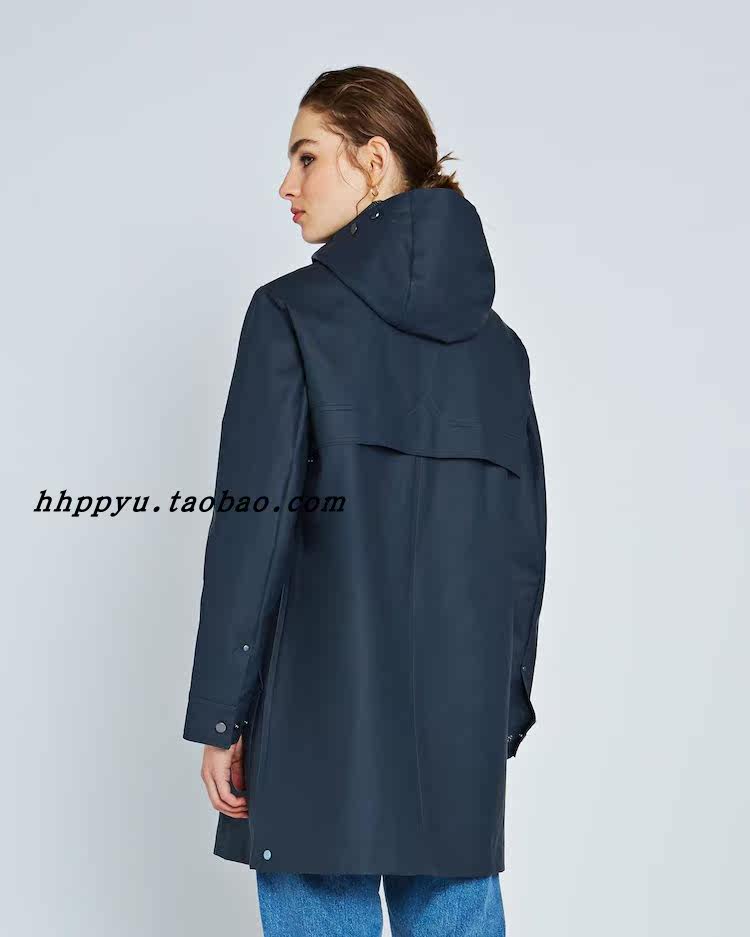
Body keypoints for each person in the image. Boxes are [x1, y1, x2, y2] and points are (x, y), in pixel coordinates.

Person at [182, 65, 547, 937]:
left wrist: (224, 713)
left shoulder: (289, 315)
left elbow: (252, 530)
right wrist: (501, 709)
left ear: (374, 162)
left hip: (316, 724)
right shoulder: (501, 352)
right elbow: (521, 554)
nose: (287, 185)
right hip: (457, 734)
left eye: (307, 156)